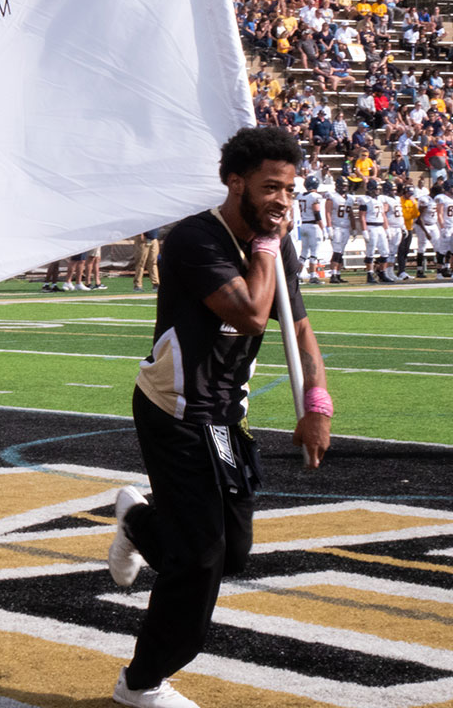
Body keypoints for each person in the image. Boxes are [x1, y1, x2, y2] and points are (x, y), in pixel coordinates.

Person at [109, 127, 332, 708]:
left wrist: (316, 402)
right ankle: (141, 684)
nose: (283, 200)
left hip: (223, 417)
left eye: (289, 188)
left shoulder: (274, 242)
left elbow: (297, 326)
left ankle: (139, 523)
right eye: (270, 187)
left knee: (230, 553)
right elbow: (253, 315)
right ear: (235, 182)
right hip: (175, 409)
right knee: (201, 560)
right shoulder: (196, 240)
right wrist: (266, 247)